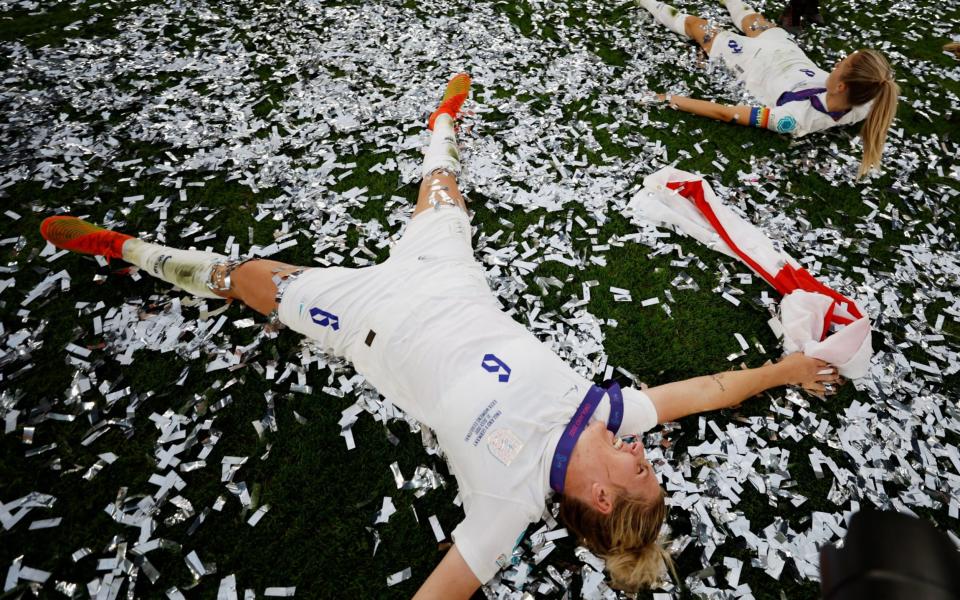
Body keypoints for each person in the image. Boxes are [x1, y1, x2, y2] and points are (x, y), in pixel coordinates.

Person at [39, 74, 843, 596]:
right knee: (441, 186)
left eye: (641, 475)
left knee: (245, 278)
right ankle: (442, 121)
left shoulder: (507, 507)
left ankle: (125, 248)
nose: (645, 454)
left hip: (365, 318)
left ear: (601, 497)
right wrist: (786, 367)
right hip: (448, 276)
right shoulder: (608, 415)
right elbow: (708, 392)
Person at [636, 0, 899, 177]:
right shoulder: (870, 96)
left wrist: (668, 97)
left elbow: (726, 113)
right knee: (751, 17)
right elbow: (882, 89)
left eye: (843, 64)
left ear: (841, 85)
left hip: (747, 59)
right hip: (784, 49)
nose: (838, 61)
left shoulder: (793, 119)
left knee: (697, 25)